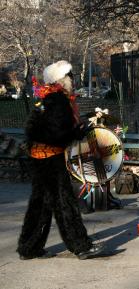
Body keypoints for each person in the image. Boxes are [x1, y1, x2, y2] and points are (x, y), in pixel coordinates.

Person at [17, 60, 104, 260]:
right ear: (62, 79)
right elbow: (58, 133)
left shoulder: (46, 99)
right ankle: (81, 246)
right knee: (65, 202)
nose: (72, 80)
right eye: (70, 76)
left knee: (41, 203)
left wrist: (73, 132)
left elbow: (32, 129)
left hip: (39, 157)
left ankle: (28, 247)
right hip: (50, 159)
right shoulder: (58, 101)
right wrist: (78, 132)